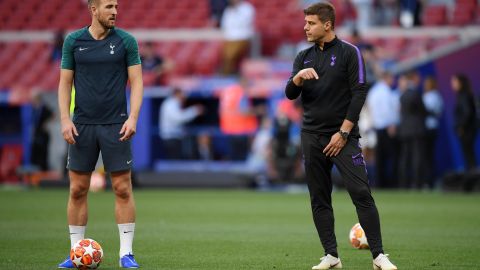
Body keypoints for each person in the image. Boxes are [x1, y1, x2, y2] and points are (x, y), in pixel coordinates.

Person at [284, 2, 397, 269]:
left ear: (327, 24)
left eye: (311, 23)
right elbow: (290, 94)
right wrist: (297, 78)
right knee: (319, 196)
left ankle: (379, 256)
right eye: (305, 23)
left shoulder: (350, 53)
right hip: (311, 136)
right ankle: (331, 256)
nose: (305, 28)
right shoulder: (303, 57)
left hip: (343, 138)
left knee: (361, 192)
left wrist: (343, 132)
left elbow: (359, 92)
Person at [57, 0, 143, 268]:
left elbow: (137, 82)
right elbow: (64, 83)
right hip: (81, 125)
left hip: (116, 125)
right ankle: (75, 253)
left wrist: (133, 117)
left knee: (122, 188)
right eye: (109, 7)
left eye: (116, 6)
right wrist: (64, 119)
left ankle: (126, 254)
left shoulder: (127, 42)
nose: (115, 11)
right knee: (78, 189)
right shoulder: (73, 41)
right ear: (93, 9)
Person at [366, 71, 399, 188]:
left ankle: (379, 183)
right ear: (387, 78)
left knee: (379, 158)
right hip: (386, 127)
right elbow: (387, 110)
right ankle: (391, 183)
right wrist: (391, 124)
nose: (393, 81)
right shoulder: (385, 91)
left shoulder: (373, 91)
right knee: (392, 157)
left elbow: (369, 108)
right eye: (392, 78)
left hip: (376, 127)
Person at [397, 71, 427, 189]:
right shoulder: (415, 94)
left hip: (404, 130)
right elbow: (423, 110)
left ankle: (403, 183)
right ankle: (417, 183)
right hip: (416, 130)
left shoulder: (402, 95)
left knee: (404, 157)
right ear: (413, 78)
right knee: (417, 157)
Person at [159, 88, 204, 159]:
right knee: (174, 162)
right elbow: (178, 118)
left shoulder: (174, 103)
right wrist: (194, 111)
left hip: (175, 137)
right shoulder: (170, 103)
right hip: (171, 138)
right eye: (182, 94)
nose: (184, 97)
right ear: (177, 94)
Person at [220, 0, 255, 75]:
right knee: (226, 54)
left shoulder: (247, 8)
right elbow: (225, 24)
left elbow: (245, 23)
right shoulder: (228, 10)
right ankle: (228, 72)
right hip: (230, 37)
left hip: (243, 36)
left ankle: (228, 72)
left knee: (230, 55)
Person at [451, 74, 477, 171]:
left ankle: (473, 177)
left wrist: (461, 126)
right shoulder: (464, 95)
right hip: (468, 128)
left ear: (460, 83)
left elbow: (467, 112)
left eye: (454, 82)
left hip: (467, 129)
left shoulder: (463, 95)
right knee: (468, 153)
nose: (452, 84)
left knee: (468, 153)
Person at [422, 76, 443, 188]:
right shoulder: (434, 95)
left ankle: (429, 181)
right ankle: (429, 180)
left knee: (427, 156)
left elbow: (430, 111)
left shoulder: (433, 95)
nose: (425, 85)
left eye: (427, 83)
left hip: (429, 128)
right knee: (428, 156)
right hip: (430, 127)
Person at [30, 91, 54, 171]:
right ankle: (35, 169)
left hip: (43, 134)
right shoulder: (33, 108)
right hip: (36, 133)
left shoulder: (44, 107)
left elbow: (53, 115)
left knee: (43, 152)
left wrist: (46, 124)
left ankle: (44, 170)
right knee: (35, 151)